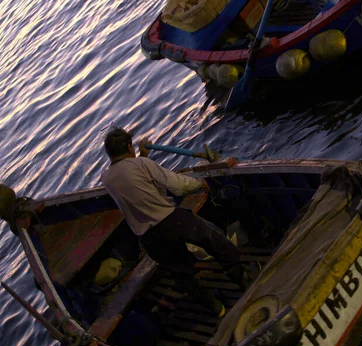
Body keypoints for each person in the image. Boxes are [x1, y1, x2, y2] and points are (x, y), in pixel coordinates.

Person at [101, 127, 250, 317]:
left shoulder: (106, 178)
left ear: (109, 154)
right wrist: (200, 184)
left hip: (148, 238)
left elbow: (128, 174)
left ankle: (215, 307)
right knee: (215, 240)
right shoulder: (141, 164)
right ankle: (243, 279)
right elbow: (177, 187)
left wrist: (143, 156)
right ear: (130, 146)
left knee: (181, 272)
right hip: (171, 221)